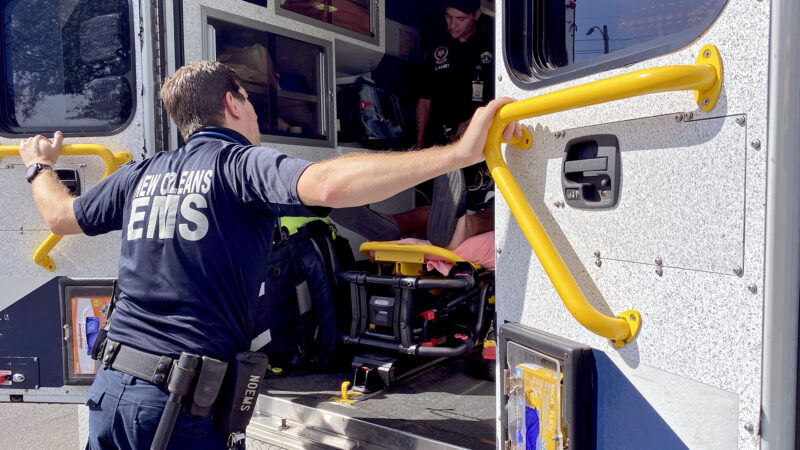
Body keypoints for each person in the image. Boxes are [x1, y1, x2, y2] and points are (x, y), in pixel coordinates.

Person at [19, 60, 519, 450]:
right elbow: (323, 184)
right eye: (251, 104)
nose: (255, 116)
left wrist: (39, 167)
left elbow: (61, 216)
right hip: (173, 406)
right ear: (234, 102)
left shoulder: (141, 173)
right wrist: (459, 155)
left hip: (109, 391)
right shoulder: (238, 163)